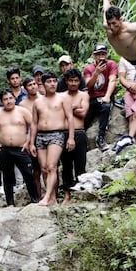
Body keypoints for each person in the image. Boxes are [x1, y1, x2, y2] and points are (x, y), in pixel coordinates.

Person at [0, 89, 40, 206]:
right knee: (8, 177)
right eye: (5, 99)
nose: (8, 101)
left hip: (21, 148)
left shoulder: (23, 111)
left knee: (28, 174)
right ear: (1, 101)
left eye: (10, 98)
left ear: (14, 99)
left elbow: (34, 125)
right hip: (4, 149)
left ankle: (35, 200)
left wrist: (29, 142)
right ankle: (10, 203)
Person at [30, 72, 75, 206]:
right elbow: (33, 123)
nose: (52, 84)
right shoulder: (37, 102)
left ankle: (47, 196)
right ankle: (53, 198)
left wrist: (71, 137)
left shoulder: (62, 98)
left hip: (57, 134)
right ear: (43, 84)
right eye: (49, 81)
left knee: (52, 166)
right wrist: (31, 142)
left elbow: (70, 118)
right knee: (44, 168)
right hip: (41, 136)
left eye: (54, 81)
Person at [60, 68, 90, 203]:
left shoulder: (84, 95)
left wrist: (68, 108)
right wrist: (74, 106)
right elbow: (59, 114)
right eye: (71, 80)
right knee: (66, 165)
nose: (73, 83)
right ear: (66, 81)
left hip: (79, 132)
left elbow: (83, 113)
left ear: (80, 81)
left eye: (76, 81)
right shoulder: (61, 96)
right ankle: (67, 194)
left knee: (80, 164)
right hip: (64, 133)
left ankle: (79, 194)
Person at [83, 43, 118, 150]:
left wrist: (107, 96)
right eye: (98, 54)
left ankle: (100, 137)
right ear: (94, 55)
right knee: (84, 120)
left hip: (105, 98)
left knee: (106, 107)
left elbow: (112, 80)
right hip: (92, 99)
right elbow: (88, 86)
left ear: (106, 54)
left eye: (103, 54)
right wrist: (96, 73)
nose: (101, 56)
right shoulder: (88, 68)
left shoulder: (111, 64)